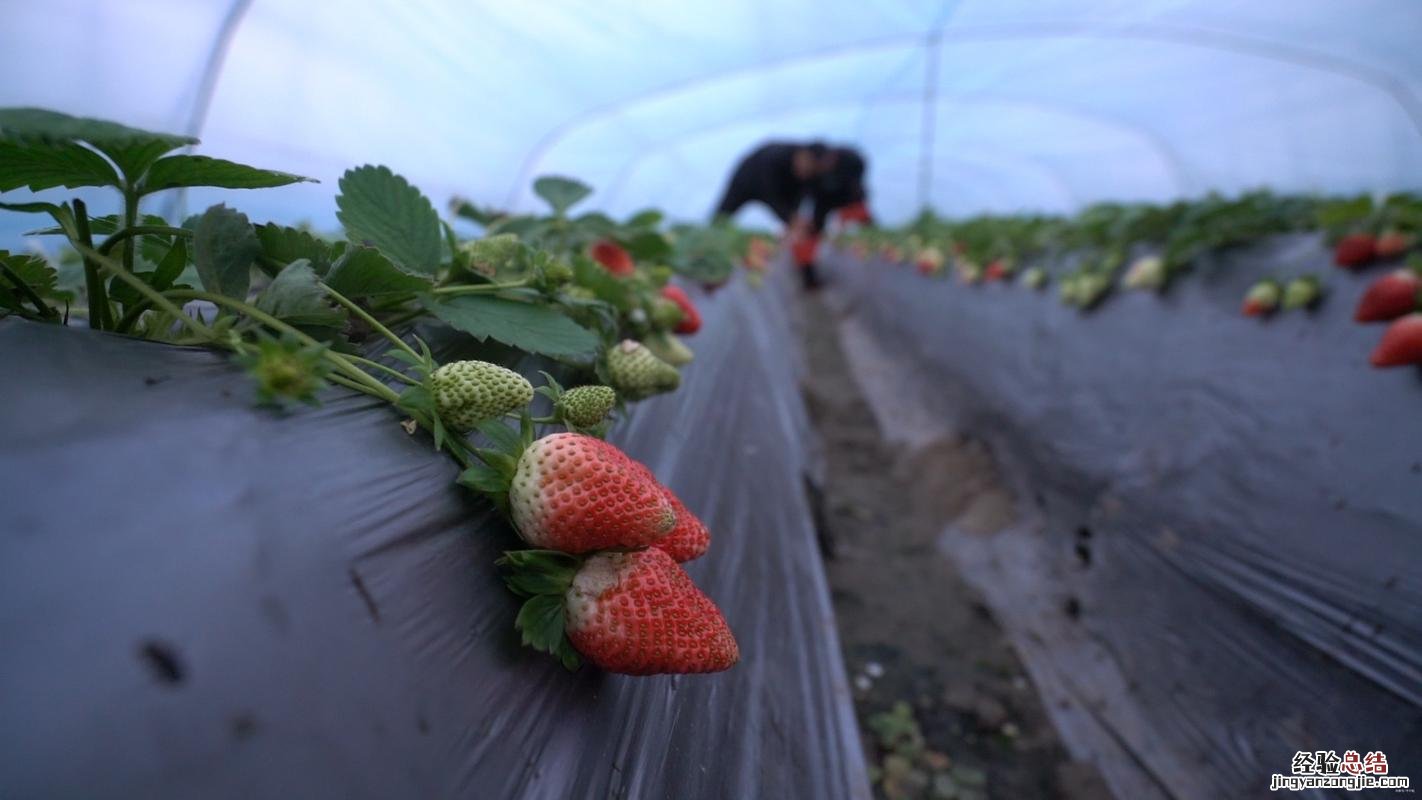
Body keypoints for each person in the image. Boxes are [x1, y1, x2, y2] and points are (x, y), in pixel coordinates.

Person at [713, 141, 873, 289]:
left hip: (791, 191)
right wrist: (791, 218)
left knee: (805, 228)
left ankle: (808, 273)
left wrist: (800, 223)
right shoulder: (773, 159)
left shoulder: (820, 172)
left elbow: (812, 203)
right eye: (806, 165)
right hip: (749, 180)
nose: (807, 170)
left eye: (814, 168)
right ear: (801, 155)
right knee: (723, 215)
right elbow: (772, 197)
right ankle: (710, 243)